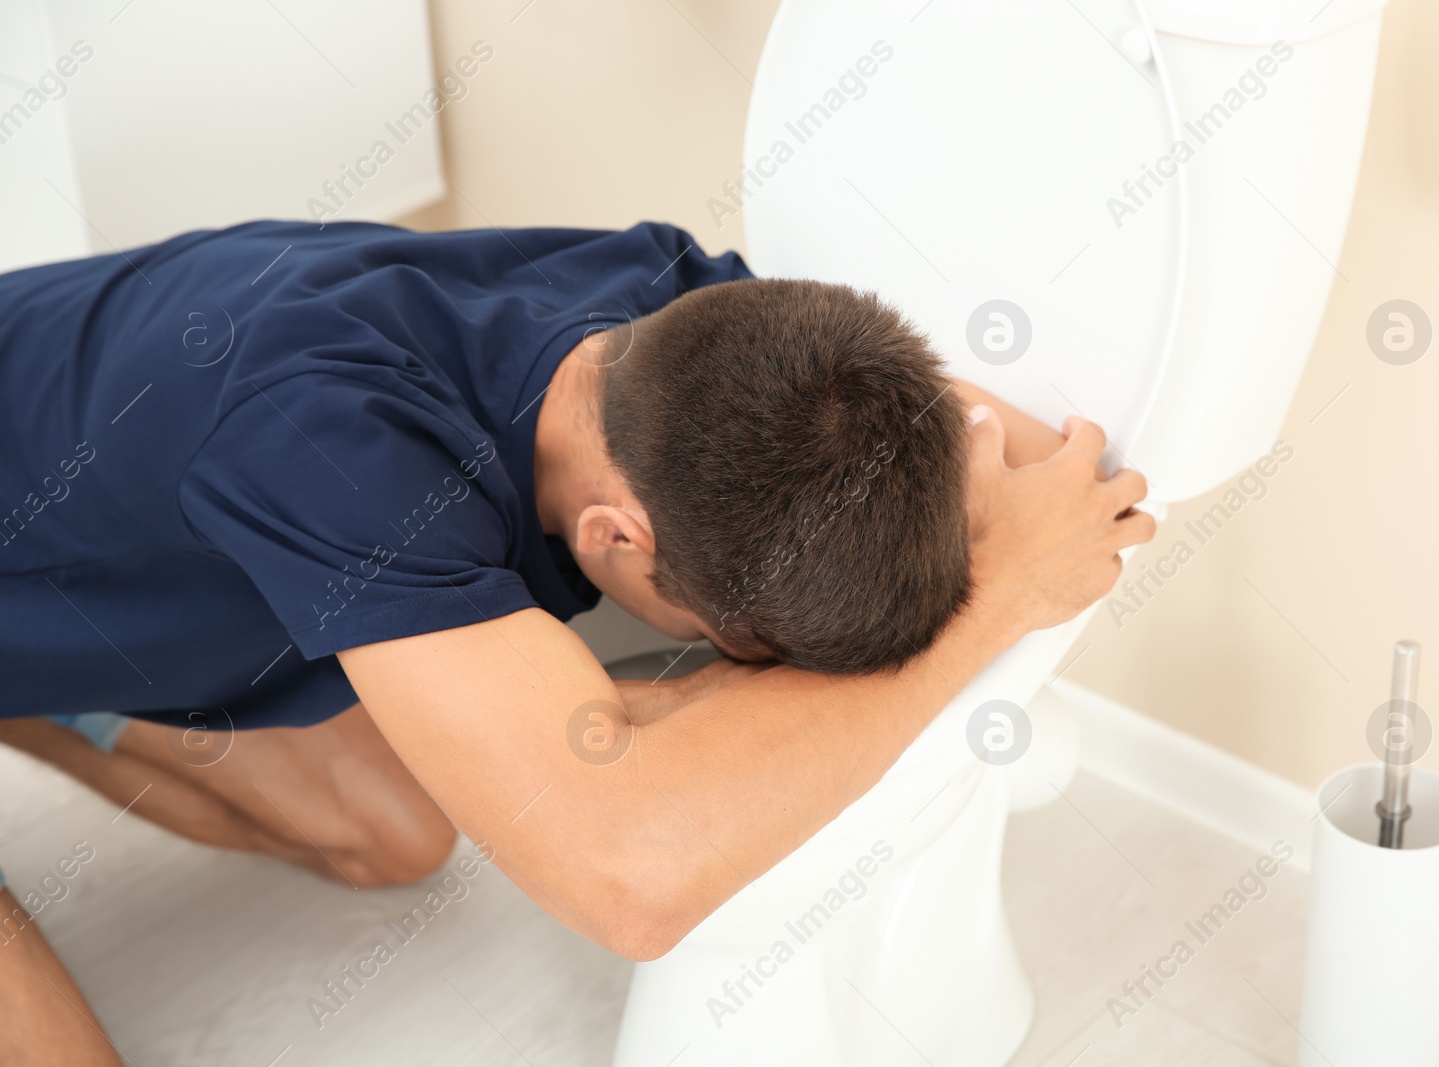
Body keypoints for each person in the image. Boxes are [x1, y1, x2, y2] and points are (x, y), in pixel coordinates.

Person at [0, 219, 1152, 1064]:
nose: (727, 668)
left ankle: (31, 693)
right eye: (728, 644)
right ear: (618, 536)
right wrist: (998, 601)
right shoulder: (335, 444)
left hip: (78, 515)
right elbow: (631, 883)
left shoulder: (688, 328)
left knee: (392, 832)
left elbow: (1030, 457)